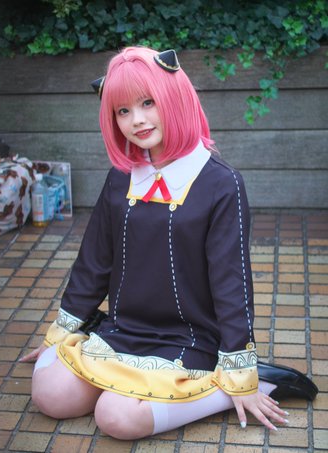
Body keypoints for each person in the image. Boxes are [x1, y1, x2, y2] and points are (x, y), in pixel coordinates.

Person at [21, 46, 317, 440]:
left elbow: (231, 282)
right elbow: (94, 261)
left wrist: (239, 369)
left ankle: (233, 388)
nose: (137, 120)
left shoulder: (221, 183)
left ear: (175, 97)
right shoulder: (120, 177)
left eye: (148, 102)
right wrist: (60, 334)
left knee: (116, 418)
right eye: (123, 110)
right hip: (123, 329)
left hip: (191, 339)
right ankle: (142, 384)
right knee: (49, 394)